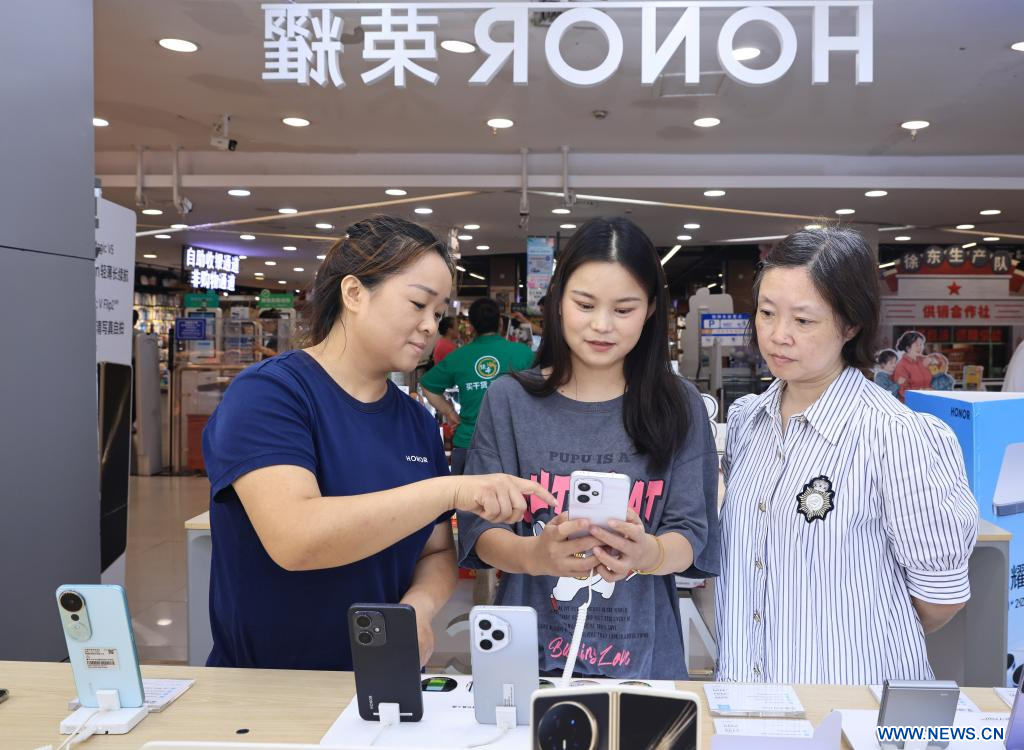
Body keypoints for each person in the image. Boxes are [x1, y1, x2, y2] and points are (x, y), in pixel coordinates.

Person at [201, 215, 554, 671]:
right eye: (418, 304)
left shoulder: (415, 421)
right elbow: (296, 538)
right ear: (353, 293)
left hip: (385, 680)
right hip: (271, 684)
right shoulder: (270, 394)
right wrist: (450, 490)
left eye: (438, 313)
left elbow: (436, 551)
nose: (429, 326)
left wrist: (417, 609)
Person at [456, 217, 721, 680]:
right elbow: (480, 532)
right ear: (558, 301)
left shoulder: (679, 405)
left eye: (623, 309)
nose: (602, 325)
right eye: (584, 304)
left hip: (645, 665)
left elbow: (692, 534)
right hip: (526, 661)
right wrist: (536, 556)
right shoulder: (509, 400)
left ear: (650, 309)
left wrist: (648, 553)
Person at [716, 227, 979, 685]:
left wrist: (846, 638)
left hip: (852, 704)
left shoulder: (897, 436)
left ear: (851, 324)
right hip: (746, 698)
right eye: (767, 313)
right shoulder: (746, 422)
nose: (778, 335)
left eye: (803, 320)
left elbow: (940, 598)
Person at [420, 298, 534, 475]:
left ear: (471, 326)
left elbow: (427, 385)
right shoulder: (523, 353)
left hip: (468, 442)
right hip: (514, 444)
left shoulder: (459, 356)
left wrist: (450, 413)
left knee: (464, 494)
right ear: (500, 323)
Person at [893, 330, 932, 401]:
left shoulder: (924, 360)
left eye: (921, 344)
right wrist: (922, 391)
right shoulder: (901, 366)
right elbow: (903, 391)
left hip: (927, 400)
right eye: (917, 345)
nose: (920, 347)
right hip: (910, 404)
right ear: (908, 348)